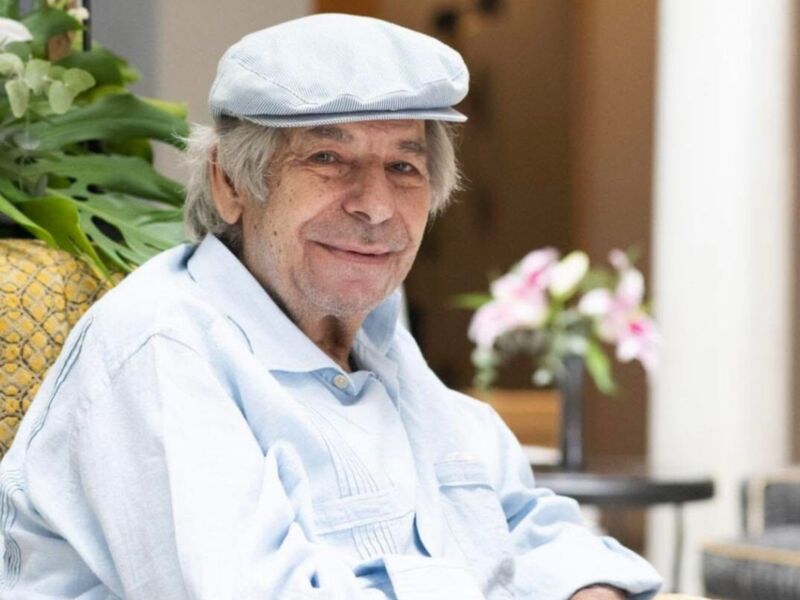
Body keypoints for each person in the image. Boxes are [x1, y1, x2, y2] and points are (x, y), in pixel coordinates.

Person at [0, 13, 663, 600]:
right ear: (229, 184)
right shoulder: (160, 345)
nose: (374, 205)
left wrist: (587, 590)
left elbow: (521, 520)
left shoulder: (376, 338)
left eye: (404, 166)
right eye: (327, 157)